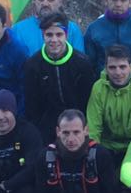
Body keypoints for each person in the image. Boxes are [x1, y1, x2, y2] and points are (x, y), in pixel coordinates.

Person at [23, 12, 98, 141]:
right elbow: (32, 107)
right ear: (43, 35)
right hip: (46, 131)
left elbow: (88, 103)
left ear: (66, 35)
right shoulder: (32, 65)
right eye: (49, 35)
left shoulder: (82, 63)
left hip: (77, 128)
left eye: (59, 35)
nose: (54, 40)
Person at [87, 45, 131, 156]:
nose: (118, 72)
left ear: (130, 66)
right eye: (112, 67)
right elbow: (93, 128)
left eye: (122, 67)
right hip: (106, 146)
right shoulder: (98, 88)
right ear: (105, 67)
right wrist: (94, 152)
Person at [10, 0, 85, 59]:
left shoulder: (72, 30)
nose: (45, 3)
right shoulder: (18, 30)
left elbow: (80, 63)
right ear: (35, 1)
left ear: (60, 2)